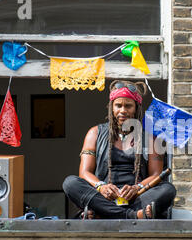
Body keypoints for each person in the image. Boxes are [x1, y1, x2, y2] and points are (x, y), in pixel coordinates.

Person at [63, 80, 176, 219]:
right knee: (70, 183)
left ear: (136, 108)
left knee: (168, 190)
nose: (123, 110)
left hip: (136, 198)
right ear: (112, 107)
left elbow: (156, 174)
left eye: (128, 106)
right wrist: (101, 187)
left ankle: (103, 214)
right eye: (118, 105)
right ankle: (132, 216)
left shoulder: (150, 138)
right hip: (104, 197)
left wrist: (137, 188)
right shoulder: (95, 133)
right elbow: (84, 173)